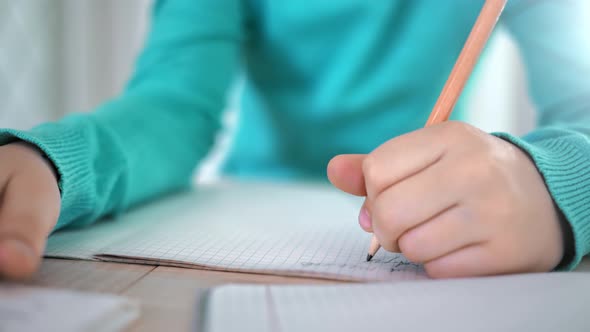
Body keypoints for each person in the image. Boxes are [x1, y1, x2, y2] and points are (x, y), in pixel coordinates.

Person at [0, 0, 588, 280]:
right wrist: (55, 161)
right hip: (240, 217)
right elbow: (172, 107)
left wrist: (553, 184)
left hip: (441, 217)